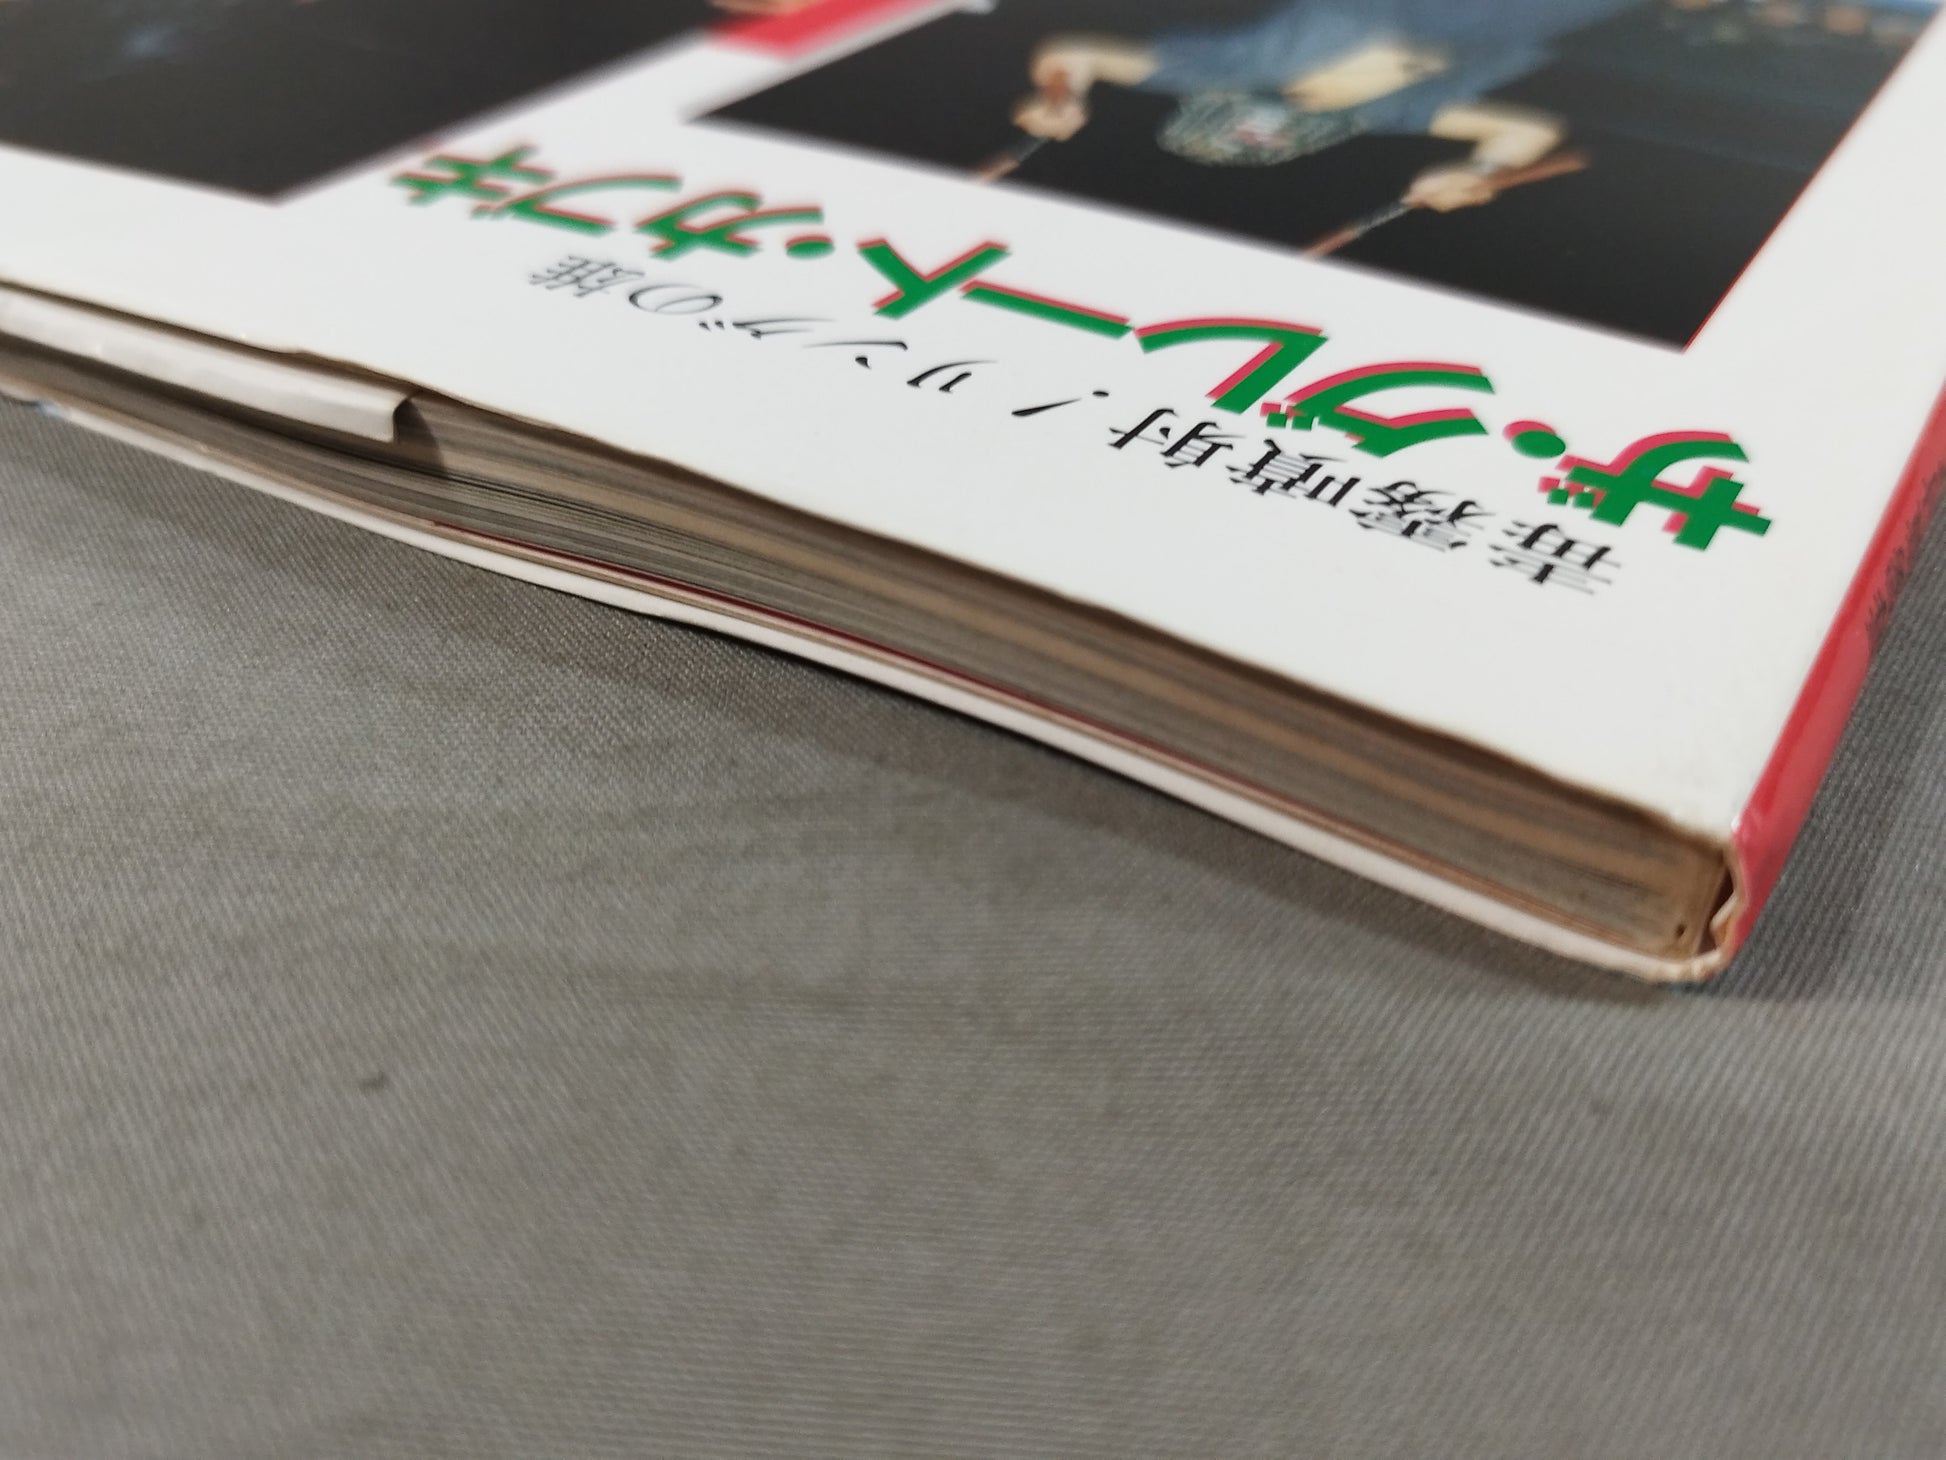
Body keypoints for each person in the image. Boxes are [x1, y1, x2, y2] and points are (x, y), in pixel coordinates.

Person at [1012, 0, 1664, 212]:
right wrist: (1478, 172)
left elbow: (1075, 49)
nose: (1265, 128)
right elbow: (1529, 129)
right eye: (1269, 141)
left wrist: (1058, 97)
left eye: (1243, 127)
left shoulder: (1222, 67)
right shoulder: (1383, 112)